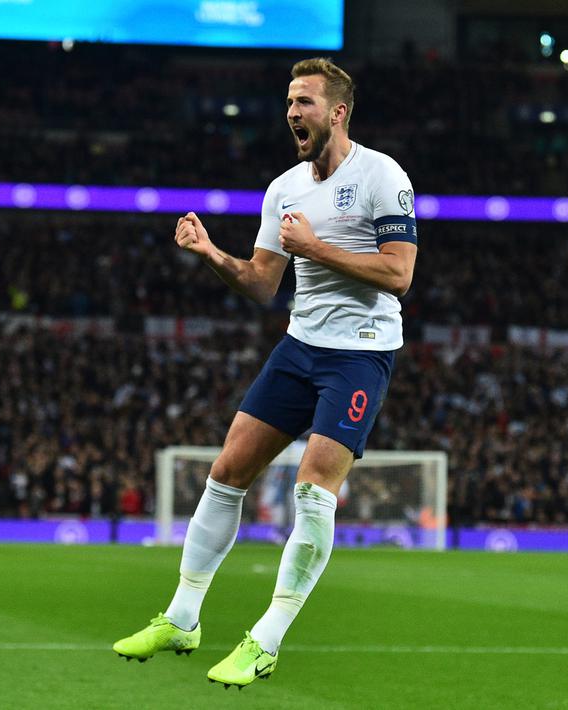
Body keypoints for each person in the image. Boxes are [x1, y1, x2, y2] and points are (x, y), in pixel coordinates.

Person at [113, 57, 418, 688]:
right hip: (300, 346)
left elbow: (399, 274)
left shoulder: (382, 175)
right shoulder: (283, 189)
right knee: (226, 472)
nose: (292, 113)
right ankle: (182, 617)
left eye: (305, 102)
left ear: (338, 112)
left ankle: (266, 640)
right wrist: (210, 254)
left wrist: (315, 248)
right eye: (289, 102)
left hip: (360, 352)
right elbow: (260, 283)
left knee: (313, 490)